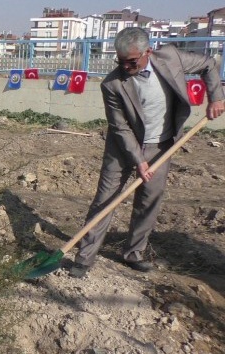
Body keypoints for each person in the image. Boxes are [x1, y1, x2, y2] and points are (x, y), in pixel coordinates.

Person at [69, 27, 225, 278]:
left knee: (149, 200)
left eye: (131, 61)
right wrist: (138, 160)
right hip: (122, 147)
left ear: (147, 53)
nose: (125, 66)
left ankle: (133, 253)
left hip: (161, 144)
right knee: (105, 200)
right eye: (120, 61)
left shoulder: (170, 57)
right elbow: (119, 127)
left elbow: (208, 64)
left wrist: (216, 97)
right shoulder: (112, 84)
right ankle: (85, 257)